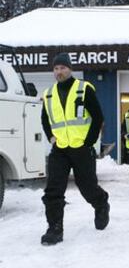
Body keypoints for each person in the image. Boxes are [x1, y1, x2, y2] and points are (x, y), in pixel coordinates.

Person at [41, 53, 110, 245]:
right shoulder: (48, 94)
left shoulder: (83, 89)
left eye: (62, 68)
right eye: (56, 68)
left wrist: (89, 142)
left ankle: (101, 203)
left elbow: (97, 117)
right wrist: (51, 137)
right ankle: (54, 229)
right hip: (60, 149)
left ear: (70, 69)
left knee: (87, 187)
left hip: (81, 148)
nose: (59, 72)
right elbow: (45, 118)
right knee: (53, 191)